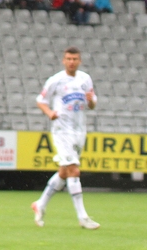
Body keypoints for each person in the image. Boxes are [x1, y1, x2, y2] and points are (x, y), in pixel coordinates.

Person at [31, 47, 100, 230]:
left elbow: (92, 104)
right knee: (74, 171)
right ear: (63, 60)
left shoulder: (85, 79)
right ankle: (83, 217)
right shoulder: (56, 80)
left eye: (75, 58)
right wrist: (49, 113)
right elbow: (40, 100)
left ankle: (40, 204)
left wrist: (91, 100)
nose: (71, 61)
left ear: (80, 61)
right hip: (62, 131)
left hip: (79, 131)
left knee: (64, 172)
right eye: (68, 58)